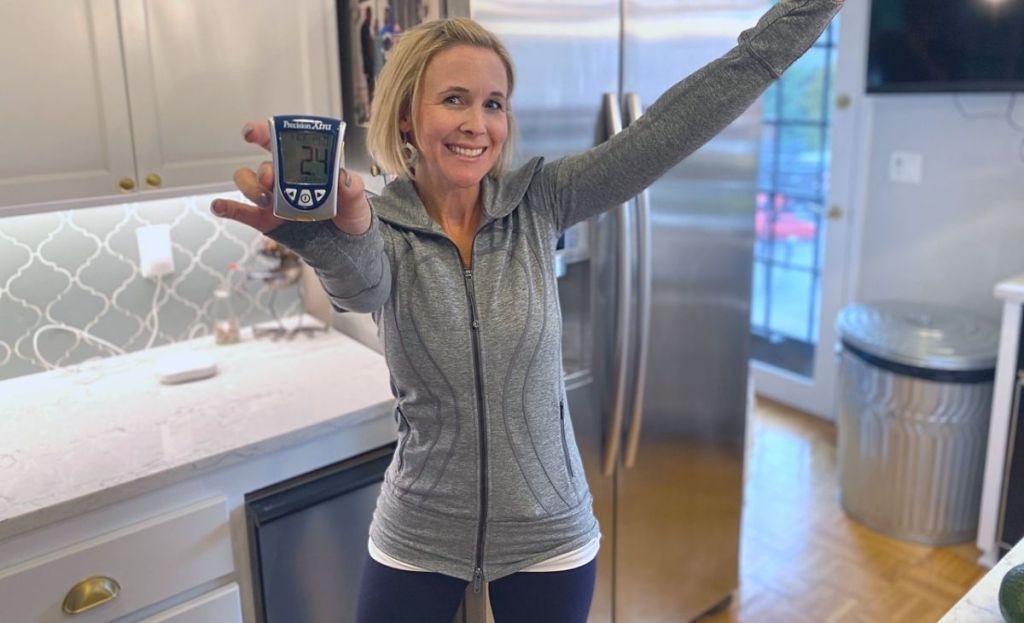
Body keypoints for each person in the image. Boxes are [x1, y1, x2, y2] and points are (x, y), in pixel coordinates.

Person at [210, 2, 845, 621]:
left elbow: (669, 129)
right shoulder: (378, 225)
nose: (477, 124)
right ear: (406, 117)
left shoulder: (540, 200)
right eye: (454, 99)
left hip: (551, 533)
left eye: (494, 104)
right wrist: (332, 237)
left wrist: (806, 12)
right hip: (419, 530)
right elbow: (361, 288)